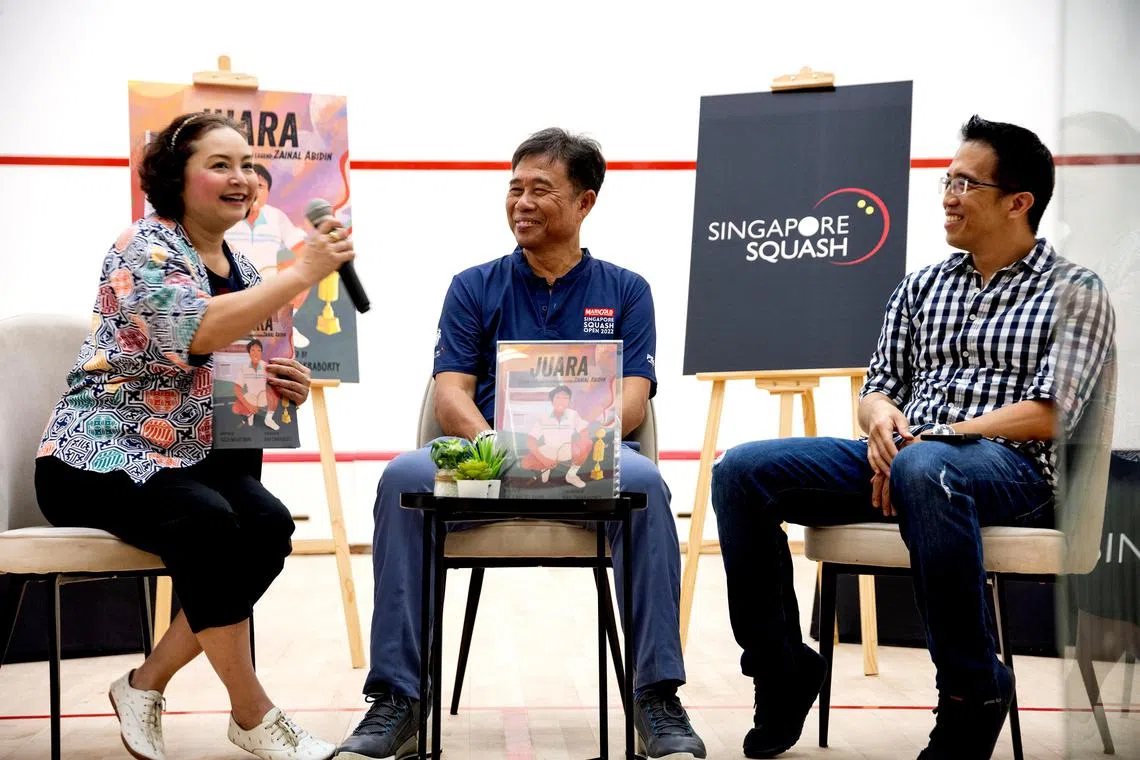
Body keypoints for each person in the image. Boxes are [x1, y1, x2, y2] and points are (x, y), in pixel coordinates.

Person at [710, 115, 1115, 760]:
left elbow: (1050, 413)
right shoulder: (924, 283)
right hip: (906, 457)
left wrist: (930, 439)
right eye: (946, 180)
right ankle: (782, 666)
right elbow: (879, 385)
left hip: (1014, 472)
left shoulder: (1076, 292)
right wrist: (880, 425)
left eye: (966, 184)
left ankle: (970, 690)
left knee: (929, 468)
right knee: (741, 470)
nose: (949, 195)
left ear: (1018, 202)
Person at [335, 128, 706, 760]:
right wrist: (498, 447)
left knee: (646, 484)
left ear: (585, 202)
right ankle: (397, 700)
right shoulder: (473, 286)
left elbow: (635, 401)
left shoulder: (627, 290)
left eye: (541, 190)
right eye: (514, 189)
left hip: (587, 460)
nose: (522, 203)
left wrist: (574, 445)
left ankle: (655, 700)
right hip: (490, 460)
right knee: (401, 479)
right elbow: (450, 395)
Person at [34, 112, 355, 760]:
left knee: (266, 524)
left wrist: (278, 378)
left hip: (187, 458)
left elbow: (227, 358)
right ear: (176, 177)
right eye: (219, 164)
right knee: (208, 523)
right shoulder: (145, 247)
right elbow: (194, 333)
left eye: (246, 166)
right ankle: (253, 714)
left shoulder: (236, 260)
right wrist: (300, 273)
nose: (240, 178)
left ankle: (144, 684)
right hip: (100, 455)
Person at [223, 163, 313, 348]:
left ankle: (286, 325)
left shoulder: (276, 217)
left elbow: (301, 247)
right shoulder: (225, 214)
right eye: (249, 184)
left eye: (260, 186)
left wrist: (295, 274)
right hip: (231, 293)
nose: (254, 190)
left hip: (268, 292)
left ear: (268, 193)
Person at [521, 384, 592, 487]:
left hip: (567, 448)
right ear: (552, 400)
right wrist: (544, 459)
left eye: (565, 398)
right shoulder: (543, 417)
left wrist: (582, 446)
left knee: (588, 443)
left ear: (569, 401)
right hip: (549, 449)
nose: (561, 401)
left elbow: (584, 431)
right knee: (526, 463)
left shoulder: (573, 414)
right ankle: (545, 468)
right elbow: (531, 440)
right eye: (558, 397)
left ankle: (571, 475)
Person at [231, 339, 281, 430]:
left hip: (263, 396)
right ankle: (249, 414)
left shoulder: (266, 366)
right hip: (251, 396)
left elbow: (274, 383)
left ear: (261, 352)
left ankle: (268, 419)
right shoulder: (243, 368)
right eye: (253, 350)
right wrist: (249, 406)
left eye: (259, 350)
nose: (256, 353)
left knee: (274, 392)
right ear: (249, 353)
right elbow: (237, 389)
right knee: (235, 408)